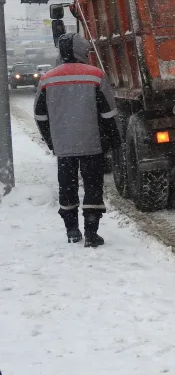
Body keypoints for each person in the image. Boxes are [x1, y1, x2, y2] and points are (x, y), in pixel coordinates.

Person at [34, 32, 120, 247]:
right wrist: (113, 141)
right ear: (82, 51)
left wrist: (52, 141)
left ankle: (72, 230)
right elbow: (109, 114)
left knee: (67, 187)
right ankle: (92, 232)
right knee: (93, 187)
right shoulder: (95, 75)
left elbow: (40, 115)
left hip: (64, 146)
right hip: (92, 143)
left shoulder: (47, 79)